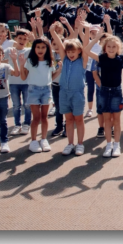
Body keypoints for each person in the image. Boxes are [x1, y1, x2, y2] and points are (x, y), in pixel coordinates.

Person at [85, 28, 123, 158]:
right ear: (105, 48)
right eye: (108, 46)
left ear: (118, 48)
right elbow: (86, 50)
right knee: (107, 120)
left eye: (114, 46)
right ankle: (108, 144)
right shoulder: (101, 58)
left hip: (116, 92)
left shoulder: (121, 59)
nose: (111, 48)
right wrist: (97, 38)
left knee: (116, 120)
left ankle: (117, 145)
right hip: (104, 91)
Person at [50, 26, 90, 156]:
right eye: (68, 52)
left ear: (79, 51)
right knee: (68, 119)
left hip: (77, 93)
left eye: (73, 51)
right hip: (64, 93)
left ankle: (80, 144)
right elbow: (60, 45)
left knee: (79, 119)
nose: (70, 54)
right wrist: (52, 31)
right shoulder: (65, 60)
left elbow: (86, 45)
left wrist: (87, 30)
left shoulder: (83, 61)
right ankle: (70, 143)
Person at [18, 37, 61, 153]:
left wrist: (59, 70)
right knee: (36, 118)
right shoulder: (30, 61)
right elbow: (23, 77)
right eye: (38, 47)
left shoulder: (49, 61)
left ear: (47, 49)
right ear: (34, 48)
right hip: (33, 90)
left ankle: (43, 139)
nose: (40, 50)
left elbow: (51, 77)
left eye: (43, 47)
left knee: (44, 117)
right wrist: (21, 65)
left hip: (46, 90)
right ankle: (33, 141)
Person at [2, 29, 32, 135]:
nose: (22, 41)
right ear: (15, 39)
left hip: (26, 82)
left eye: (25, 39)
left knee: (27, 104)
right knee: (16, 105)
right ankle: (17, 125)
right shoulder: (9, 50)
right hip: (13, 82)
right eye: (20, 38)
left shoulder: (29, 51)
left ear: (27, 40)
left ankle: (26, 124)